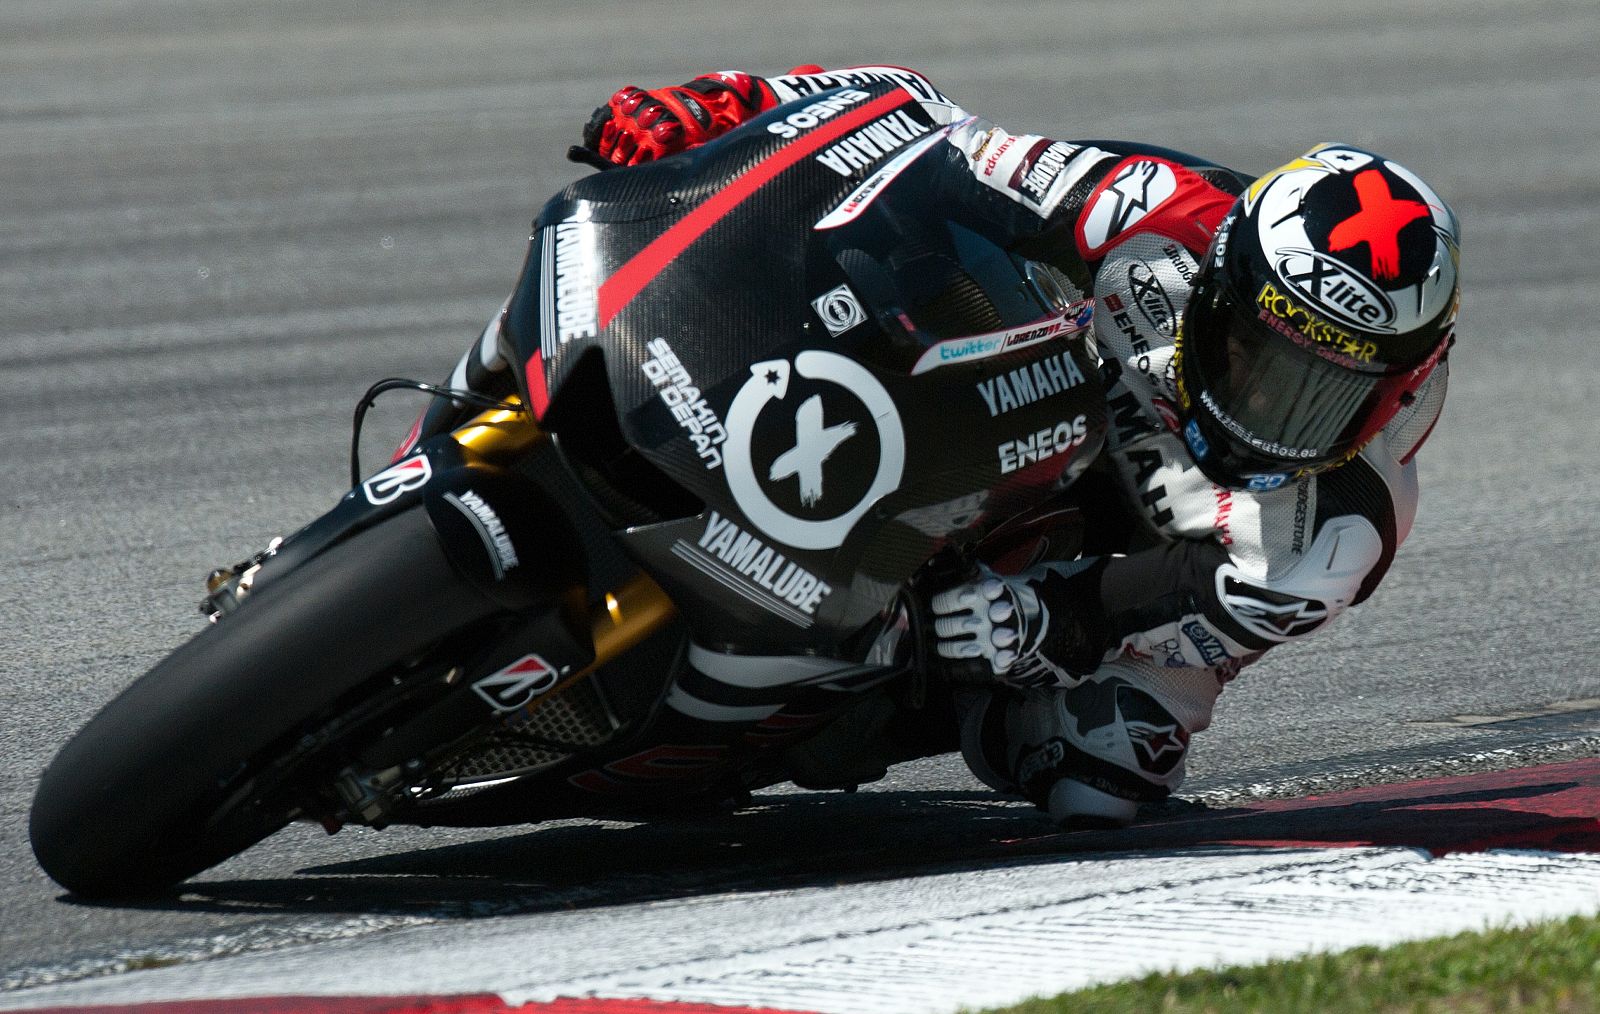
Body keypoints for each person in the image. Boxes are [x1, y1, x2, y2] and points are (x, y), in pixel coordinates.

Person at [432, 65, 1461, 829]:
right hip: (1009, 390)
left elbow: (1175, 591)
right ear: (1220, 277)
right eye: (1253, 354)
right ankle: (462, 424)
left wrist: (1036, 619)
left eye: (1321, 393)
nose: (1266, 403)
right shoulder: (1152, 209)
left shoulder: (1335, 530)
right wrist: (724, 106)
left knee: (1092, 776)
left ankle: (836, 700)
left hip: (1127, 574)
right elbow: (916, 127)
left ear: (1400, 387)